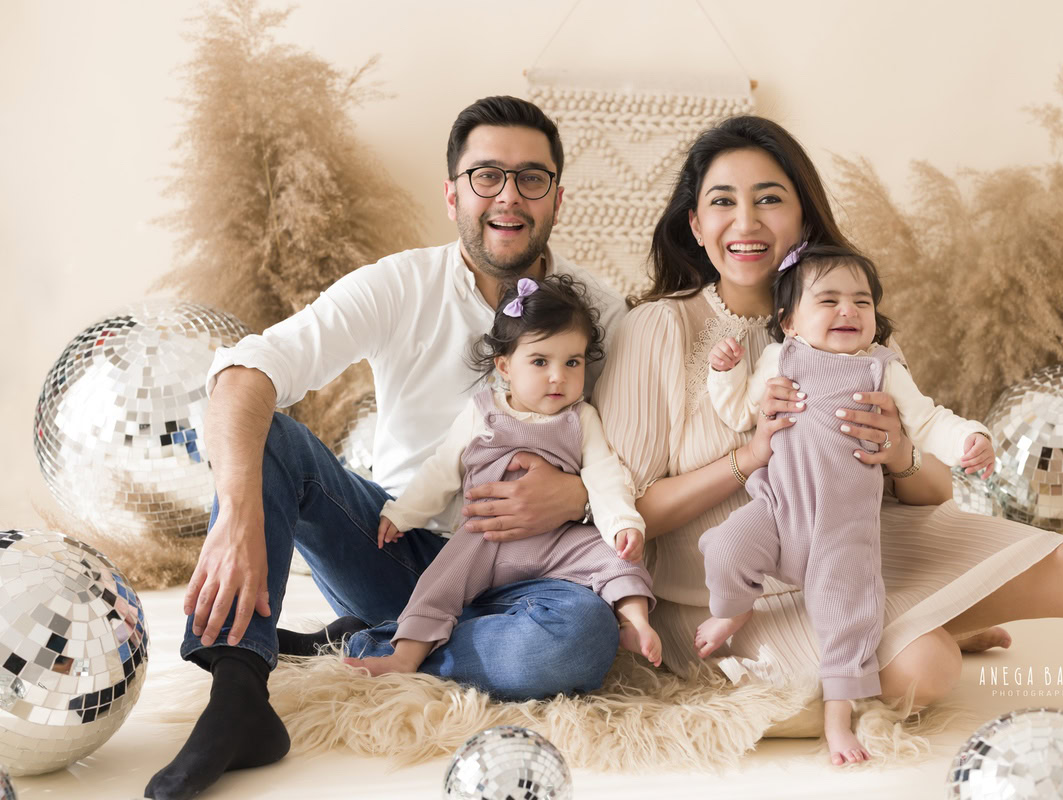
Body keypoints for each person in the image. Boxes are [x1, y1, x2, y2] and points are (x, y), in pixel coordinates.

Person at [592, 114, 1063, 767]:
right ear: (694, 224)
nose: (746, 221)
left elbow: (934, 492)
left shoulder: (855, 323)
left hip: (861, 547)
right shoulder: (657, 329)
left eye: (769, 198)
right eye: (722, 201)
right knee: (926, 668)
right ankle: (934, 623)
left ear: (803, 216)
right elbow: (623, 516)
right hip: (729, 592)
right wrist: (749, 457)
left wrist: (901, 455)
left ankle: (931, 611)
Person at [144, 96, 629, 800]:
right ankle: (239, 694)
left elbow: (639, 457)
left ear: (557, 197)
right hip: (397, 552)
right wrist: (237, 509)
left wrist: (577, 495)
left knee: (582, 640)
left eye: (532, 178)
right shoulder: (399, 285)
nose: (508, 196)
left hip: (534, 576)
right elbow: (248, 370)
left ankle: (371, 643)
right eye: (486, 175)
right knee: (272, 438)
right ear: (453, 193)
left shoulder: (603, 311)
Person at [697, 243, 995, 761]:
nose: (848, 311)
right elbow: (739, 412)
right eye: (828, 300)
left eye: (862, 302)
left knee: (849, 621)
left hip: (844, 531)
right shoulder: (781, 358)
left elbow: (927, 421)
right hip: (777, 510)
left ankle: (838, 718)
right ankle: (733, 609)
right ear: (789, 322)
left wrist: (971, 438)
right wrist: (725, 372)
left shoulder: (881, 369)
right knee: (725, 547)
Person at [346, 274, 661, 677]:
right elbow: (442, 469)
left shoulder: (581, 418)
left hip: (557, 541)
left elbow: (604, 476)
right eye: (540, 362)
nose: (558, 376)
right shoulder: (484, 411)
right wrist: (403, 513)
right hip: (486, 538)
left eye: (572, 362)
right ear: (505, 366)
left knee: (616, 556)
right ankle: (404, 656)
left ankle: (634, 622)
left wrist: (623, 524)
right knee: (439, 583)